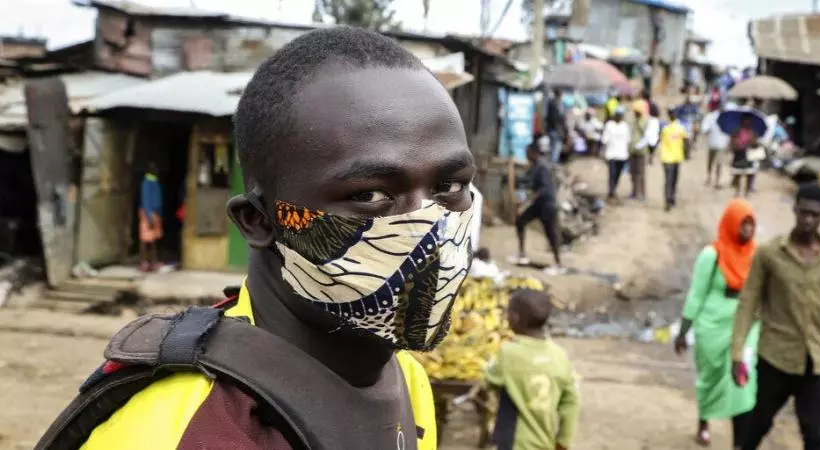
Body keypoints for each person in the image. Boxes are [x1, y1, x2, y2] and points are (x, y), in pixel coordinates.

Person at [37, 27, 481, 450]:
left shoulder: (402, 376)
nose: (432, 227)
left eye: (450, 186)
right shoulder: (196, 431)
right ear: (258, 221)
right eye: (369, 195)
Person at [733, 184, 820, 450]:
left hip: (815, 362)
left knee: (815, 436)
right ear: (794, 210)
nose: (808, 220)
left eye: (815, 215)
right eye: (803, 212)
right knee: (759, 423)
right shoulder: (770, 253)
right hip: (776, 358)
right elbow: (748, 302)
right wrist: (737, 352)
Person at [674, 199, 760, 448]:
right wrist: (683, 332)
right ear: (731, 224)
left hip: (745, 325)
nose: (748, 230)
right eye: (743, 224)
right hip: (712, 324)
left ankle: (739, 442)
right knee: (710, 377)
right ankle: (704, 421)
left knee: (743, 379)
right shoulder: (712, 254)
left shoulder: (756, 255)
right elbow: (696, 295)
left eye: (751, 224)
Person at [485, 289, 580, 450]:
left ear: (515, 317)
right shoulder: (559, 355)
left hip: (514, 443)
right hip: (546, 442)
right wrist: (563, 441)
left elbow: (490, 379)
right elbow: (571, 402)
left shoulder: (508, 353)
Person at [512, 143, 562, 274]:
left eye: (528, 153)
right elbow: (527, 180)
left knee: (551, 233)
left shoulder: (543, 167)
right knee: (520, 221)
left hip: (547, 204)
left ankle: (558, 264)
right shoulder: (534, 166)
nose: (526, 156)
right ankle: (521, 254)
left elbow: (544, 188)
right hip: (538, 204)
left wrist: (529, 199)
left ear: (534, 153)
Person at [659, 107, 688, 211]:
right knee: (669, 180)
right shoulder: (665, 128)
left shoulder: (680, 128)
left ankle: (672, 198)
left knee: (674, 180)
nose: (672, 115)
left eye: (673, 113)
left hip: (677, 157)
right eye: (670, 113)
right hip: (667, 158)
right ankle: (668, 199)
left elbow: (686, 141)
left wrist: (686, 153)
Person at [629, 103, 659, 201]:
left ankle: (642, 193)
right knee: (633, 173)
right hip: (632, 150)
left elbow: (647, 136)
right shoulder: (633, 121)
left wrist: (639, 145)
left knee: (641, 174)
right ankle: (634, 192)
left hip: (641, 151)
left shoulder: (645, 121)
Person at [602, 108, 631, 201]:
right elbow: (605, 139)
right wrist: (603, 152)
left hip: (622, 155)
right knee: (612, 174)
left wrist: (628, 153)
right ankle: (611, 192)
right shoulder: (609, 125)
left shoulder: (625, 126)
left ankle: (614, 189)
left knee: (618, 174)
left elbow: (628, 141)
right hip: (611, 154)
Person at [139, 162, 163, 272]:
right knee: (145, 239)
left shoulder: (154, 181)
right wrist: (149, 217)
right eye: (154, 168)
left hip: (155, 213)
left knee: (153, 240)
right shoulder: (147, 182)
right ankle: (144, 262)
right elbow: (146, 200)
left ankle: (153, 261)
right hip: (148, 213)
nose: (157, 170)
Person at [729, 113, 760, 198]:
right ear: (742, 120)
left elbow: (756, 143)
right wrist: (736, 144)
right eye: (745, 119)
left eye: (748, 120)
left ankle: (747, 191)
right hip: (738, 155)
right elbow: (732, 141)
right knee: (737, 174)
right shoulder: (736, 130)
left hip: (749, 156)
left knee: (749, 174)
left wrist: (752, 142)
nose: (747, 121)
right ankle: (737, 191)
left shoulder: (753, 132)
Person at [701, 103, 730, 188]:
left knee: (719, 163)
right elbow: (704, 129)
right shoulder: (710, 116)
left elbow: (729, 131)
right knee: (711, 162)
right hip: (712, 143)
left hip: (721, 144)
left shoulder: (726, 118)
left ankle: (717, 180)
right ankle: (709, 177)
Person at [546, 90, 567, 163]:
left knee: (552, 147)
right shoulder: (559, 103)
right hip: (557, 130)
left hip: (551, 129)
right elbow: (561, 117)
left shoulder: (550, 103)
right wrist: (565, 129)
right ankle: (553, 164)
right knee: (556, 147)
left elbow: (547, 117)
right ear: (561, 94)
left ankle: (551, 163)